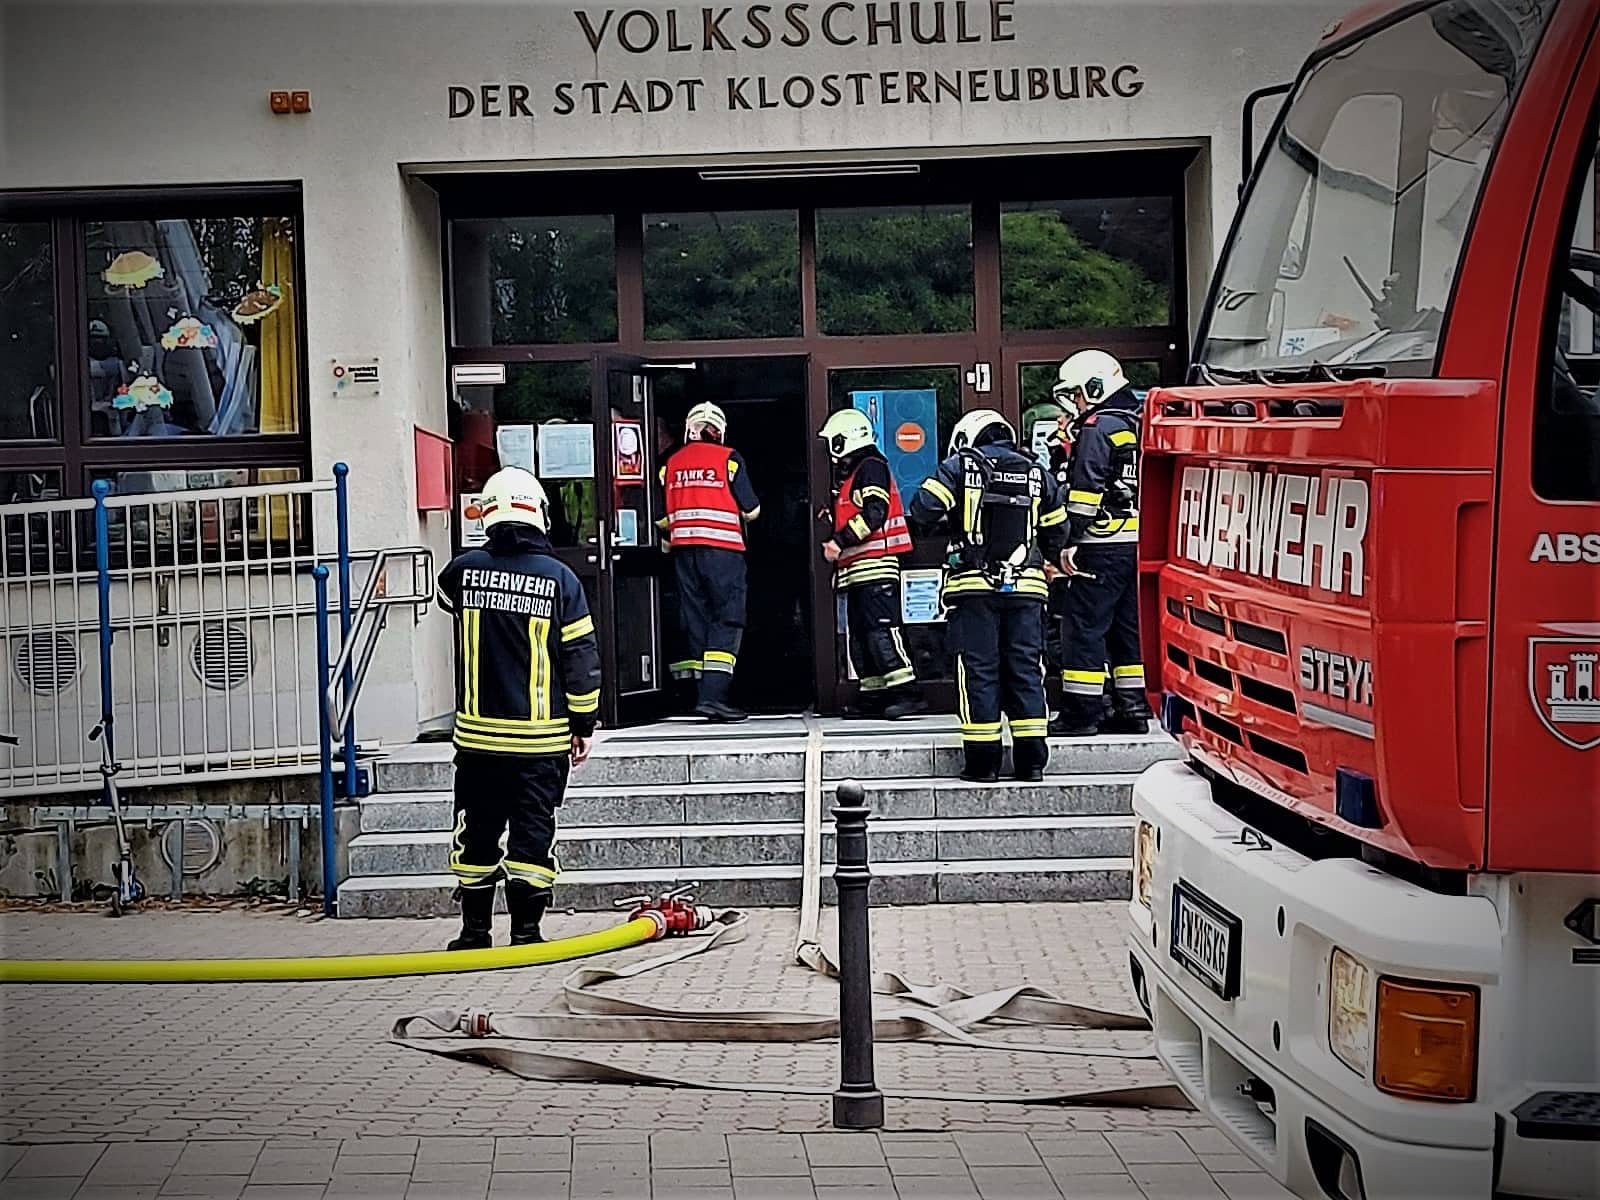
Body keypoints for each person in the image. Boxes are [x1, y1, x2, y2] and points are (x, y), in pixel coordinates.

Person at [435, 467, 601, 950]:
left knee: (477, 833)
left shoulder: (462, 571)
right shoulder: (561, 580)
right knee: (532, 835)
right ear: (539, 515)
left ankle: (473, 933)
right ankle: (527, 933)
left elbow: (448, 595)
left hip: (478, 740)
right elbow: (581, 660)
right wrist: (584, 723)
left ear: (488, 514)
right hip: (540, 740)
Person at [909, 409, 1067, 783]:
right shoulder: (1035, 472)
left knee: (978, 671)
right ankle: (1031, 763)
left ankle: (984, 764)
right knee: (1026, 669)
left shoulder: (960, 466)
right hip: (1028, 590)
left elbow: (922, 509)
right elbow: (1059, 531)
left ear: (966, 437)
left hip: (973, 589)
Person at [1049, 349, 1153, 736]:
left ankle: (1081, 712)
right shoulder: (1137, 422)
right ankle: (1132, 707)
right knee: (1127, 629)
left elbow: (1086, 492)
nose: (1074, 403)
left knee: (1083, 626)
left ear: (1094, 388)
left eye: (1077, 394)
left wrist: (1069, 540)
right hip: (1134, 543)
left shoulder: (1097, 426)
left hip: (1099, 541)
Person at [817, 408, 925, 720]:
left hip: (876, 567)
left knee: (881, 632)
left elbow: (874, 513)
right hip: (858, 570)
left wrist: (839, 540)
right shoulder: (857, 473)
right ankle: (874, 694)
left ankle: (908, 692)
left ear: (846, 439)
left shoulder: (871, 467)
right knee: (862, 636)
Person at [657, 401, 761, 722]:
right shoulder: (729, 459)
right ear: (719, 430)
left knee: (697, 619)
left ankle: (700, 694)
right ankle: (714, 696)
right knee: (727, 619)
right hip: (723, 553)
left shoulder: (670, 464)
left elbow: (661, 517)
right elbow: (752, 509)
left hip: (683, 552)